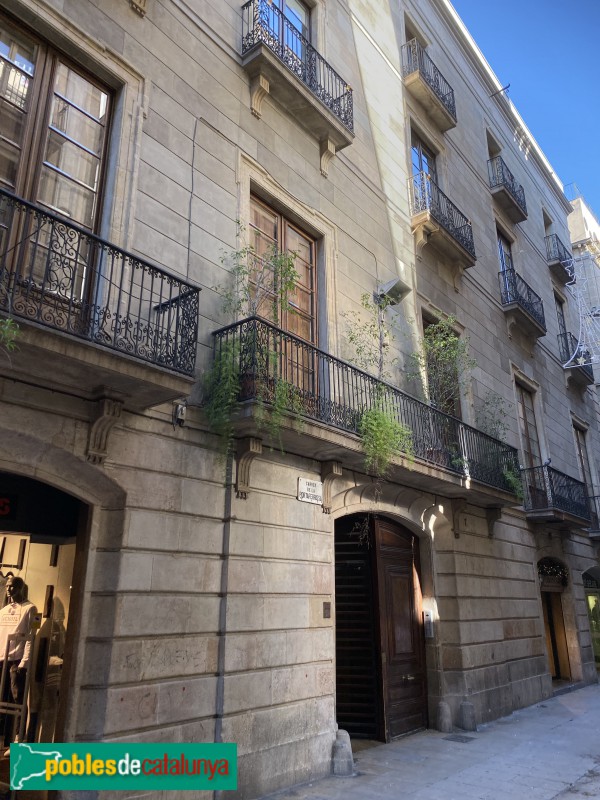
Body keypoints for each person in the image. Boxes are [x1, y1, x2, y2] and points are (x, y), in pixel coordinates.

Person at [0, 577, 37, 748]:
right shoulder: (4, 610)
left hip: (16, 661)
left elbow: (31, 637)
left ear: (21, 588)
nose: (9, 589)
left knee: (18, 700)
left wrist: (24, 662)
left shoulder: (30, 608)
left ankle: (18, 738)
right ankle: (5, 737)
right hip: (2, 658)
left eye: (12, 586)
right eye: (7, 586)